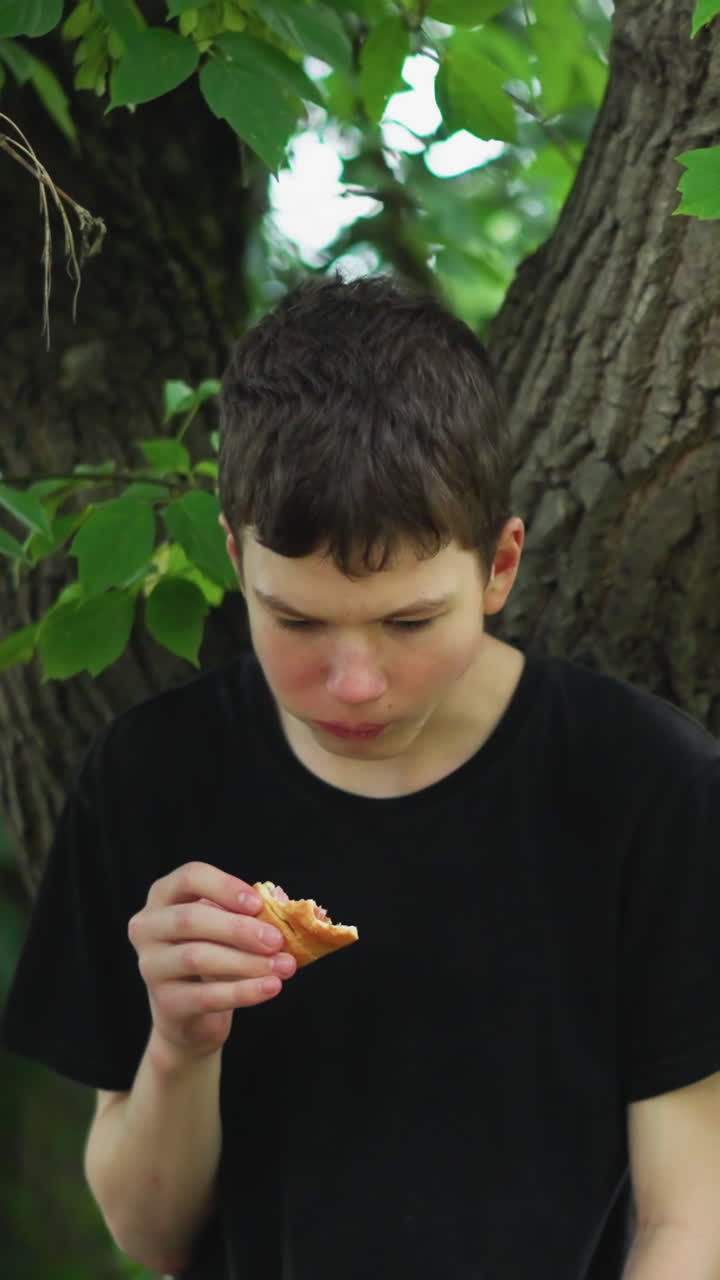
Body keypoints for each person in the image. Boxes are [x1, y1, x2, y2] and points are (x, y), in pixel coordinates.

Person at [1, 272, 719, 1280]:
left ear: (500, 566)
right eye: (294, 620)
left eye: (410, 621)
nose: (352, 682)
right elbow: (148, 1233)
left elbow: (690, 1219)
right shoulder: (154, 775)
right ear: (234, 553)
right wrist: (182, 1039)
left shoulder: (648, 785)